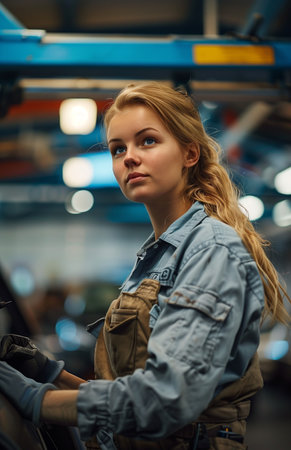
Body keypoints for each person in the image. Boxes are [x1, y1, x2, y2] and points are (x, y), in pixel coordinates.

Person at [0, 82, 290, 450]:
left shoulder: (211, 251)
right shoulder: (158, 255)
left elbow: (164, 400)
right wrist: (51, 376)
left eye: (147, 141)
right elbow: (131, 392)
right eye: (117, 148)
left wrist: (37, 401)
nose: (129, 158)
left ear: (189, 154)